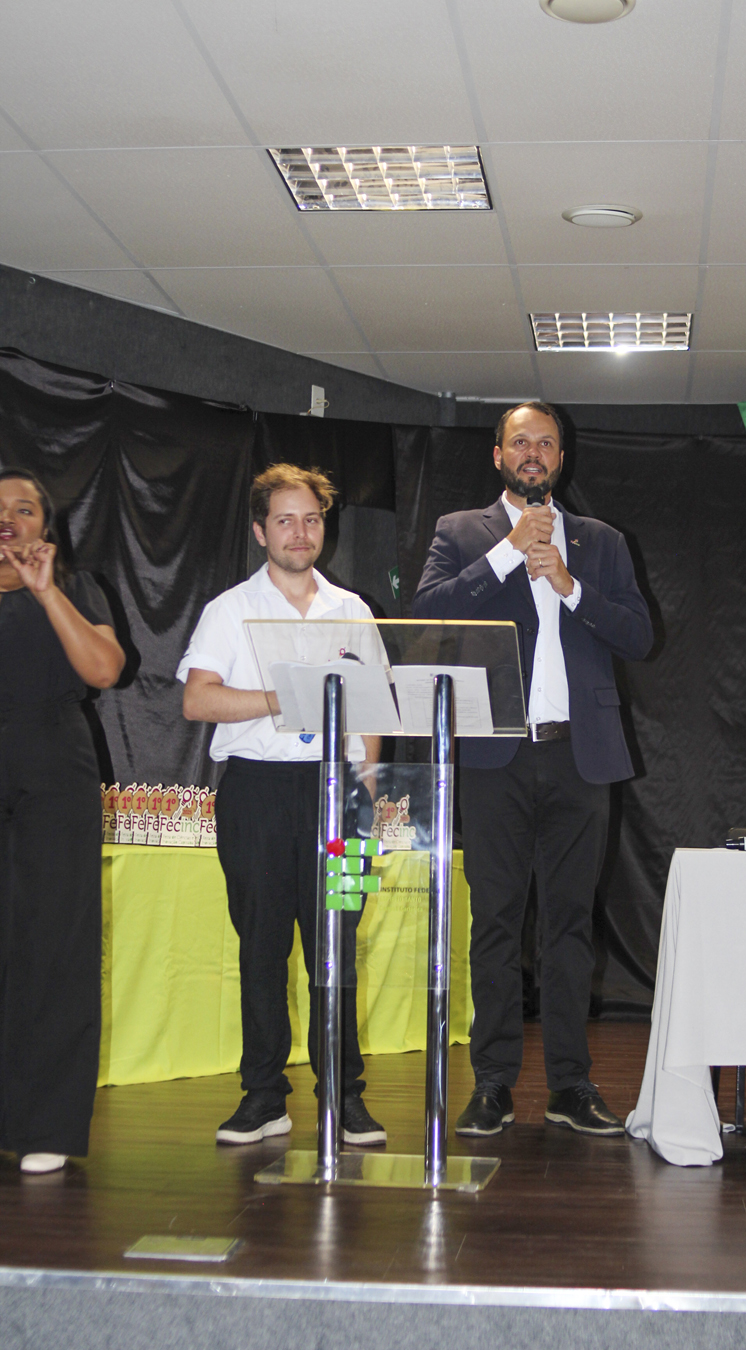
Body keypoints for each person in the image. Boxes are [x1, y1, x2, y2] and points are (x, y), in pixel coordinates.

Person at [412, 403, 652, 1137]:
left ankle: (570, 1085)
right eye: (521, 441)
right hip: (496, 756)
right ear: (498, 455)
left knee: (571, 925)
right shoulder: (462, 532)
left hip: (580, 756)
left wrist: (572, 586)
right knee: (495, 921)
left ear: (560, 457)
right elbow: (427, 618)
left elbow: (640, 636)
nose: (534, 453)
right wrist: (508, 554)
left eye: (546, 442)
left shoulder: (602, 542)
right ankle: (492, 1084)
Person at [178, 463, 386, 1147]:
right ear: (260, 531)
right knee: (262, 948)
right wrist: (283, 698)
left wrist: (367, 784)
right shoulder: (229, 610)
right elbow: (197, 699)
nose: (300, 532)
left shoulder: (352, 609)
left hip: (339, 796)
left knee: (338, 947)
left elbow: (373, 707)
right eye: (286, 520)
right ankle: (264, 1097)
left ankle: (344, 1096)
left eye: (312, 519)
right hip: (258, 793)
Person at [0, 468, 125, 1175]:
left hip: (53, 768)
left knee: (55, 943)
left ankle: (45, 1124)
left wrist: (46, 591)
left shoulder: (76, 587)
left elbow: (105, 670)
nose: (8, 518)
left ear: (44, 527)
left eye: (24, 509)